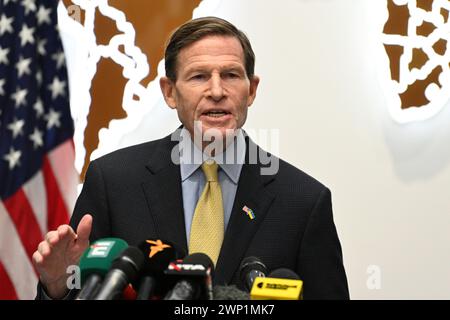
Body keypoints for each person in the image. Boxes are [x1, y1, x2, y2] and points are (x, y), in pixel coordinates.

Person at [33, 16, 349, 300]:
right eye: (198, 76)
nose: (216, 91)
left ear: (251, 90)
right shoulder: (113, 182)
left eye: (230, 75)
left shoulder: (303, 201)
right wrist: (58, 287)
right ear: (170, 92)